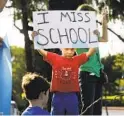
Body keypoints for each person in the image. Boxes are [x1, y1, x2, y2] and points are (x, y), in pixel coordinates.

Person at [32, 30, 98, 115]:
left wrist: (95, 38)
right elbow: (42, 52)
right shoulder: (55, 58)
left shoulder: (77, 60)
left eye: (72, 49)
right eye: (67, 49)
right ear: (61, 48)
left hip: (72, 96)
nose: (70, 51)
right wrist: (35, 39)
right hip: (58, 96)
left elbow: (90, 52)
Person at [76, 4, 108, 115]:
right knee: (88, 110)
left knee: (97, 110)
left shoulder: (91, 34)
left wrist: (104, 22)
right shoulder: (77, 35)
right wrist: (94, 37)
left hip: (97, 74)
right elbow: (90, 52)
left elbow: (105, 38)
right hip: (86, 74)